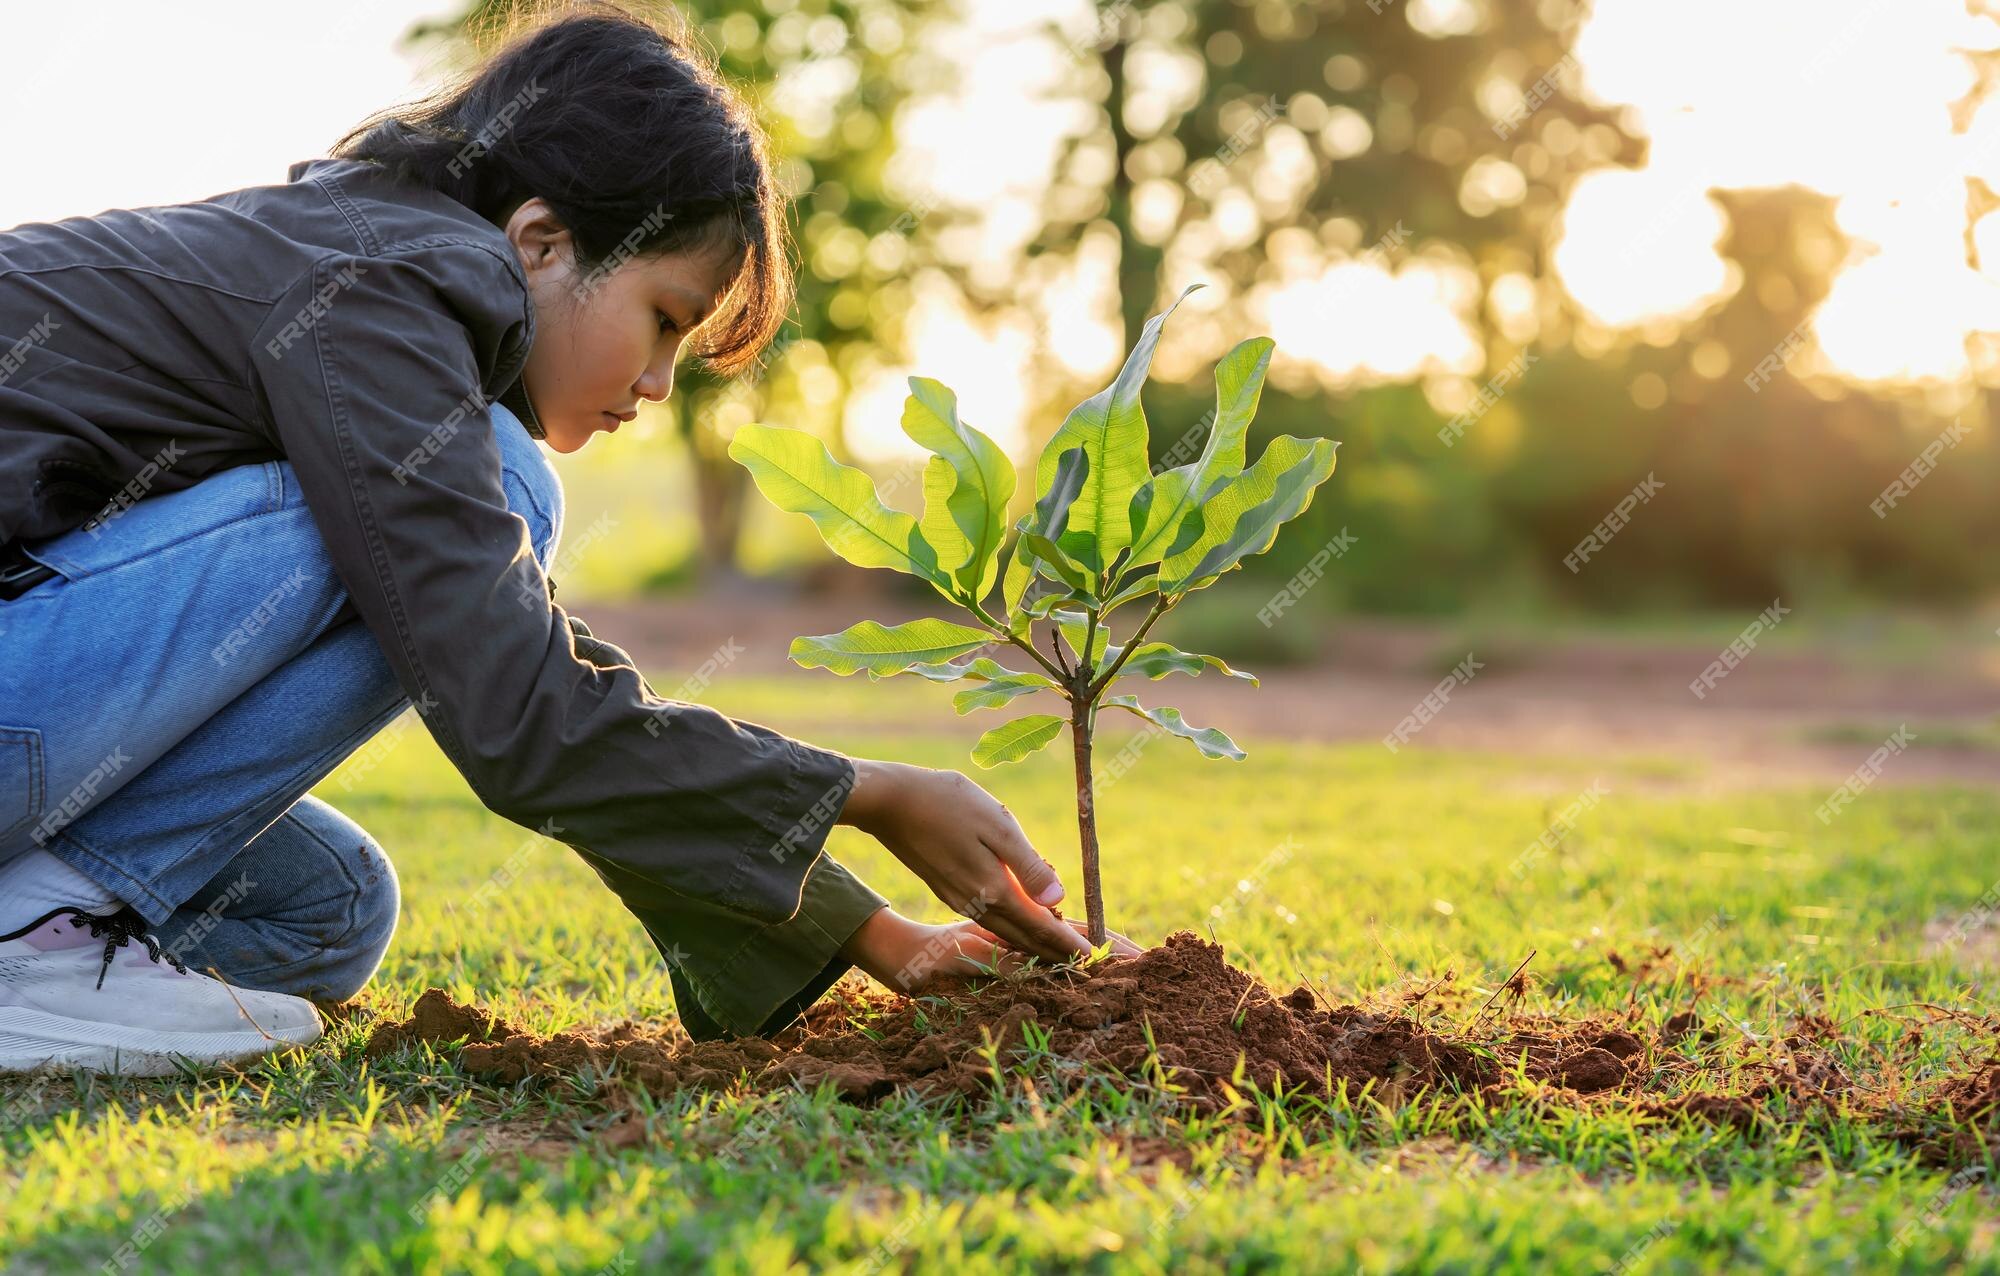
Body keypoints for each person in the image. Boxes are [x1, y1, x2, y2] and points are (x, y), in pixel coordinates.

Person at [0, 2, 1134, 1077]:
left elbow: (516, 659)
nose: (654, 383)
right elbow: (516, 702)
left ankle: (49, 926)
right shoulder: (382, 285)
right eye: (665, 321)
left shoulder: (363, 277)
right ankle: (36, 942)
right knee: (505, 482)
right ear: (539, 242)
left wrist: (871, 931)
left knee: (324, 909)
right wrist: (867, 791)